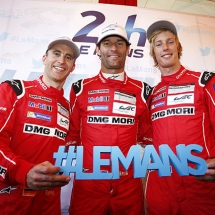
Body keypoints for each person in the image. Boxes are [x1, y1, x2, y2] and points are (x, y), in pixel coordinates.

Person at [66, 23, 152, 215]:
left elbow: (150, 139)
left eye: (119, 43)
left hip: (128, 187)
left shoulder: (143, 90)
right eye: (107, 43)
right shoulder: (80, 87)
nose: (113, 48)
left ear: (128, 50)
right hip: (88, 185)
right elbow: (70, 136)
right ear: (98, 49)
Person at [0, 36, 80, 215]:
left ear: (73, 67)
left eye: (68, 57)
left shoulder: (68, 107)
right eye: (56, 53)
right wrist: (22, 171)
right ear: (44, 58)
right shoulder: (16, 90)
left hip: (50, 201)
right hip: (12, 197)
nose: (61, 60)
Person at [145, 20, 215, 215]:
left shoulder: (205, 81)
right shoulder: (151, 94)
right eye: (158, 44)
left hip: (202, 185)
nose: (165, 48)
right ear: (153, 52)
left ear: (178, 46)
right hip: (162, 188)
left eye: (170, 41)